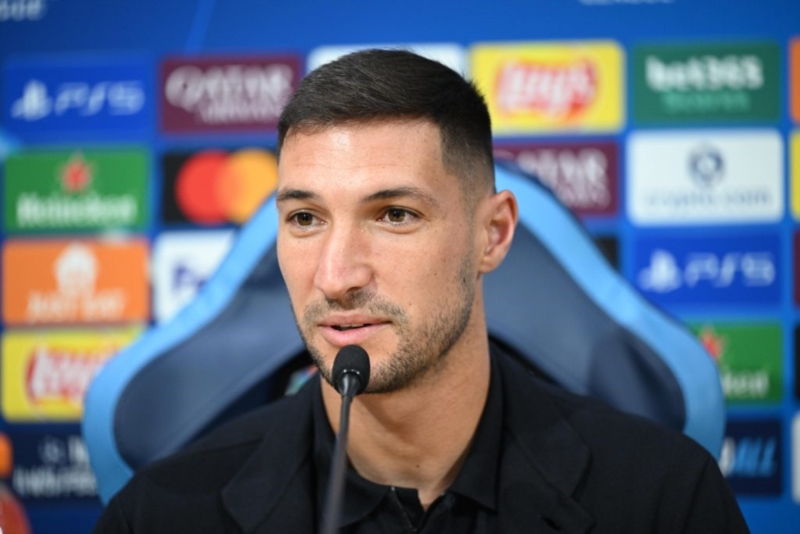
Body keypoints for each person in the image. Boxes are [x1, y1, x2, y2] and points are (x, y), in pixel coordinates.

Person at [93, 49, 750, 533]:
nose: (335, 276)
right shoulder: (157, 517)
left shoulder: (664, 499)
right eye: (306, 219)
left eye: (394, 215)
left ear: (492, 235)